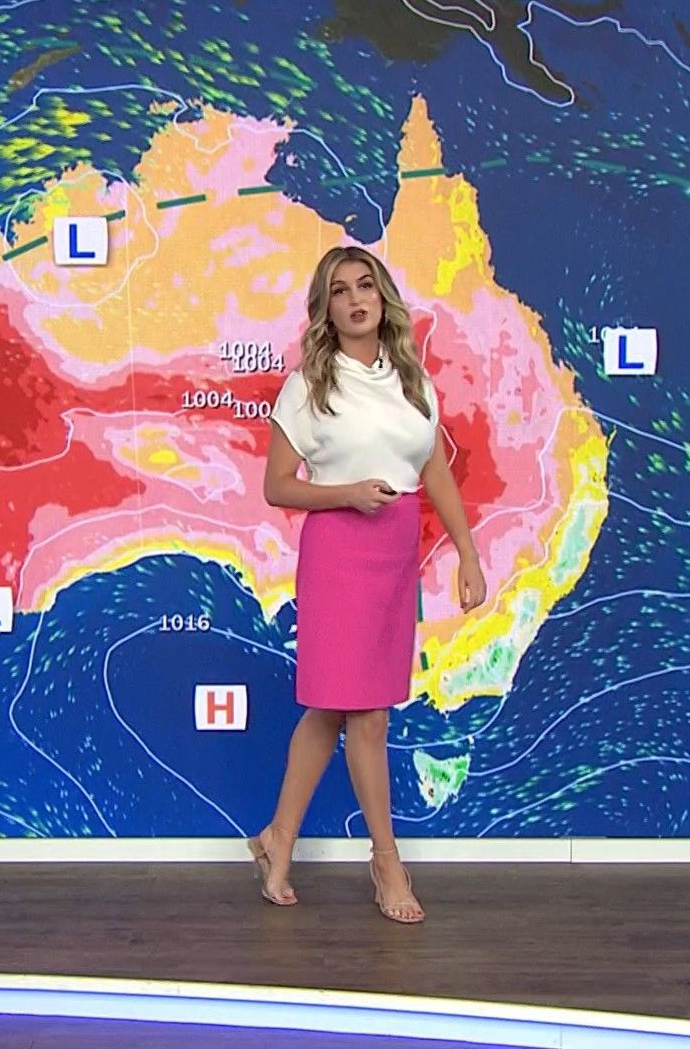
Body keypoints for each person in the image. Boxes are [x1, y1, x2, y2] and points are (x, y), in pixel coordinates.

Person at [246, 245, 487, 925]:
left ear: (383, 298)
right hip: (339, 548)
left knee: (333, 708)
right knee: (367, 714)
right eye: (340, 290)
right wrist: (347, 493)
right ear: (325, 308)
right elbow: (277, 486)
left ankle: (278, 838)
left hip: (394, 550)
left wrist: (468, 554)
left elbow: (434, 471)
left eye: (366, 286)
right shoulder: (309, 386)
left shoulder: (411, 381)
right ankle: (387, 861)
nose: (356, 300)